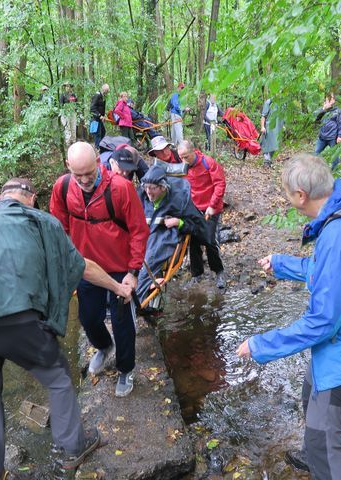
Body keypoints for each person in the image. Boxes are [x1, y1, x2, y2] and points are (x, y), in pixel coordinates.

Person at [0, 178, 134, 479]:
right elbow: (80, 266)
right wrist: (118, 286)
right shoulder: (40, 221)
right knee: (58, 378)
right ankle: (72, 449)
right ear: (32, 198)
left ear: (0, 197)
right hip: (17, 320)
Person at [236, 154, 341, 479]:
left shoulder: (339, 233)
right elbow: (333, 276)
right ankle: (313, 456)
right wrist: (282, 264)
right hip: (336, 343)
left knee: (325, 440)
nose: (288, 200)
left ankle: (321, 461)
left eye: (287, 194)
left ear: (300, 195)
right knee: (307, 393)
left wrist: (260, 346)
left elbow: (324, 322)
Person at [50, 142, 149, 397]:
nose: (84, 180)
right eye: (78, 174)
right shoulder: (62, 188)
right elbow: (59, 228)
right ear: (68, 167)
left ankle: (126, 369)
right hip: (86, 267)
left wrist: (133, 271)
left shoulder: (121, 188)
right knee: (89, 318)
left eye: (89, 173)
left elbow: (138, 230)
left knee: (121, 321)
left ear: (98, 160)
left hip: (119, 267)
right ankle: (104, 347)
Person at [136, 164, 213, 301]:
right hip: (144, 234)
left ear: (162, 187)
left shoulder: (179, 199)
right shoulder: (141, 196)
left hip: (164, 237)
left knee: (150, 257)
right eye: (146, 187)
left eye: (152, 188)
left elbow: (198, 225)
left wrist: (179, 222)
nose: (148, 192)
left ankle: (137, 299)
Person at [177, 140, 227, 290]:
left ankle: (219, 272)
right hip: (193, 208)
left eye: (186, 156)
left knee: (210, 241)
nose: (183, 160)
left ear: (194, 152)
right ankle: (196, 274)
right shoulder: (182, 167)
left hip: (211, 208)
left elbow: (220, 184)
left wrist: (212, 205)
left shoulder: (208, 163)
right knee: (194, 241)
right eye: (181, 157)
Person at [314, 93, 341, 170]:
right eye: (327, 100)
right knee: (315, 154)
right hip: (322, 137)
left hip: (333, 138)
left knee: (335, 156)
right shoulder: (322, 110)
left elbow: (340, 124)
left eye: (331, 99)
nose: (329, 101)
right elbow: (315, 120)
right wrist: (323, 109)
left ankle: (334, 171)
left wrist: (340, 136)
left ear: (334, 100)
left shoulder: (338, 111)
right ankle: (317, 169)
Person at [260, 98, 284, 168]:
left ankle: (269, 160)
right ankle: (266, 161)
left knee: (274, 145)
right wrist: (262, 127)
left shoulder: (282, 102)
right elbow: (263, 116)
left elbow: (282, 116)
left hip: (278, 127)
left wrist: (283, 125)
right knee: (266, 144)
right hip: (269, 127)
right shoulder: (269, 102)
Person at [90, 83, 110, 149]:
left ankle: (100, 146)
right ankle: (97, 148)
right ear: (103, 89)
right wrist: (99, 115)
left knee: (103, 132)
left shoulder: (102, 96)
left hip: (100, 118)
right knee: (98, 134)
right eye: (107, 91)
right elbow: (92, 108)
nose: (107, 92)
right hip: (95, 118)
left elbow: (101, 108)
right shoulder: (97, 95)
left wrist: (104, 116)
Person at [60, 82, 78, 147]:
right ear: (65, 87)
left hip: (73, 113)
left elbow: (77, 104)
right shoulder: (63, 95)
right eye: (66, 86)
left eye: (69, 86)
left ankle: (74, 142)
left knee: (73, 127)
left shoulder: (74, 95)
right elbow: (61, 105)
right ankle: (68, 143)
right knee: (67, 128)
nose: (68, 88)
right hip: (66, 113)